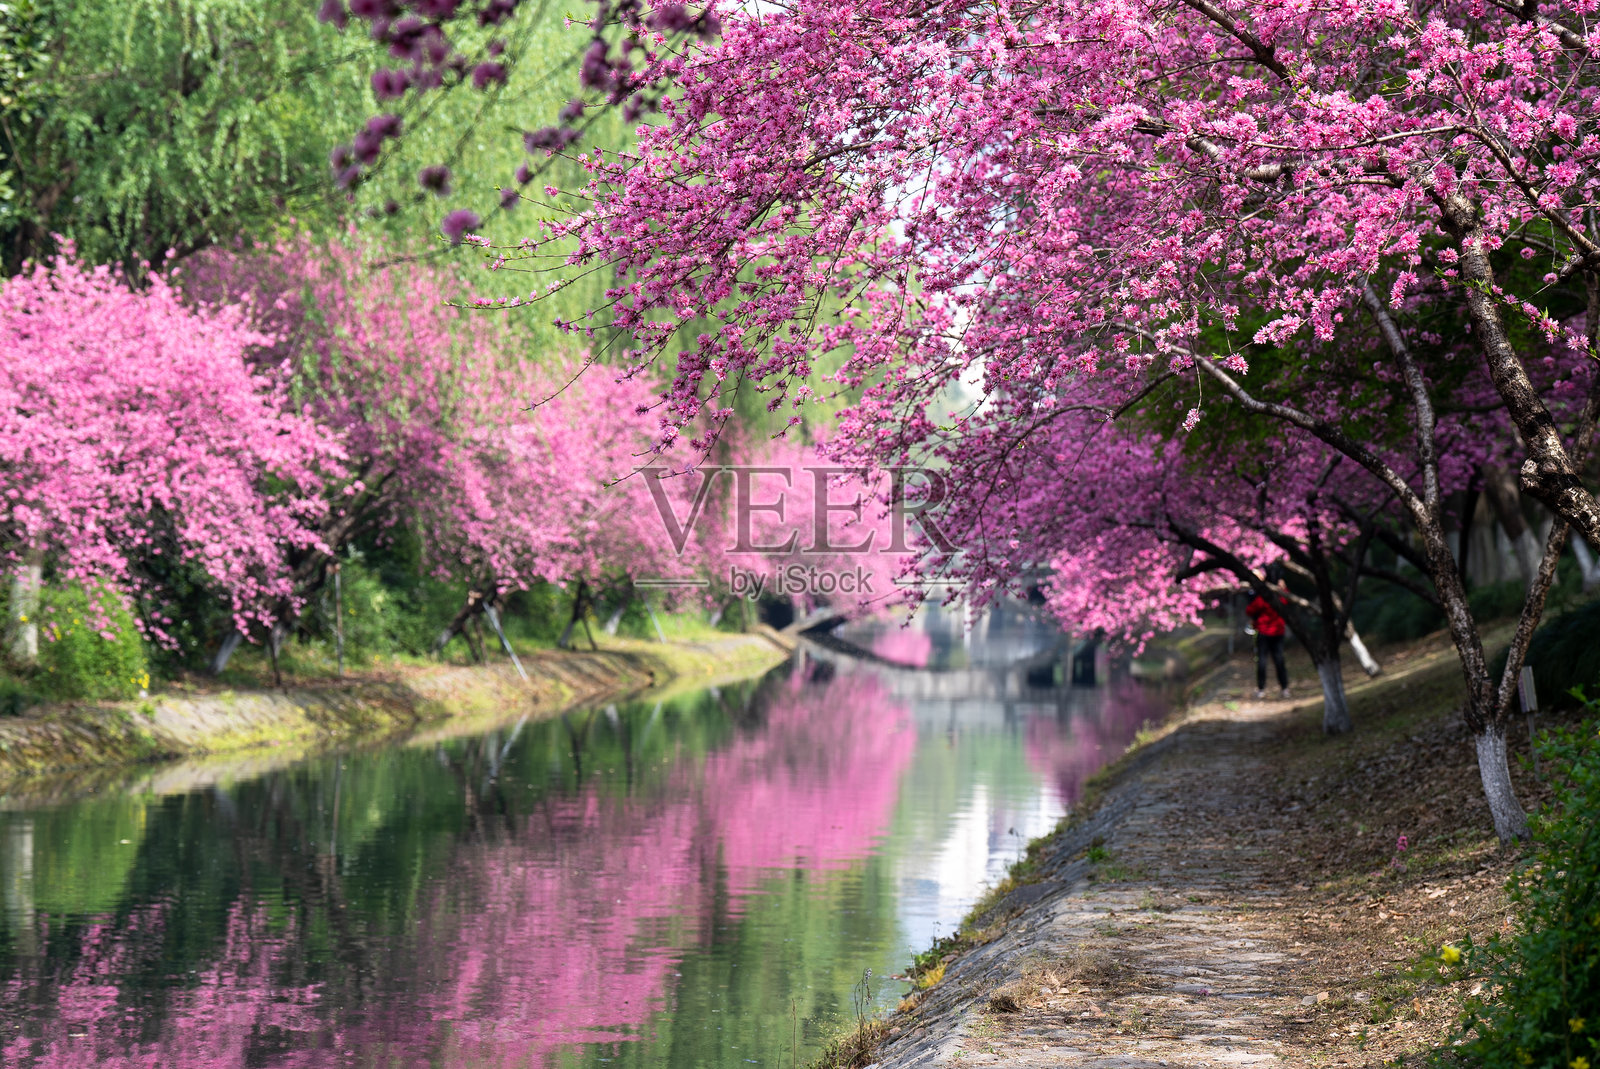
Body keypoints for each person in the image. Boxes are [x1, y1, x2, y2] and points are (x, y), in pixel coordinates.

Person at [1246, 584, 1290, 699]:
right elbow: (1287, 599)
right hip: (1278, 632)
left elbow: (1249, 610)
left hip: (1264, 632)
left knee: (1262, 661)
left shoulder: (1262, 598)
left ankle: (1261, 689)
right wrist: (1283, 588)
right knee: (1279, 660)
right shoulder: (1280, 596)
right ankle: (1284, 688)